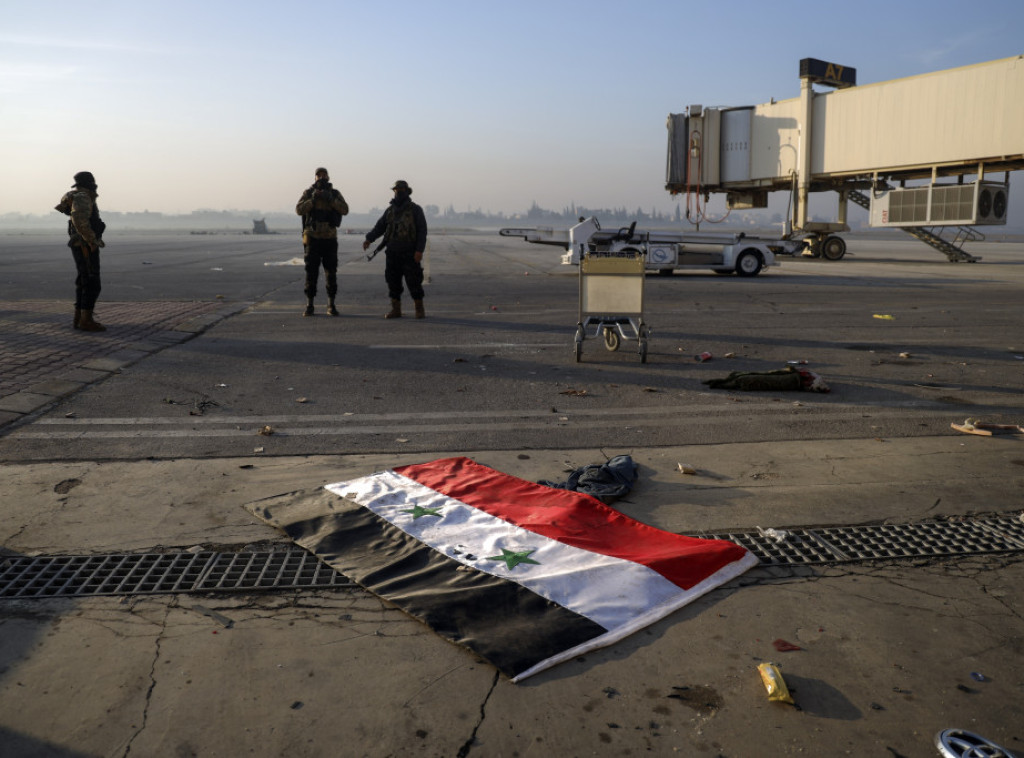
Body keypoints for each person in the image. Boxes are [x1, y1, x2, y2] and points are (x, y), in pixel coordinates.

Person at [362, 180, 428, 319]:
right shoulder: (390, 211)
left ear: (406, 191)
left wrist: (419, 251)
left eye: (401, 189)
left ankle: (419, 309)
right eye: (396, 190)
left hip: (410, 252)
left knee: (414, 281)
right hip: (392, 252)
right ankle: (396, 309)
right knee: (393, 282)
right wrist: (369, 239)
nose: (398, 192)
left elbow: (422, 231)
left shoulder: (415, 209)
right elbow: (380, 227)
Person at [55, 171, 107, 332]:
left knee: (84, 281)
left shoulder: (77, 196)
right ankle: (86, 320)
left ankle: (80, 318)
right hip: (85, 244)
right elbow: (79, 219)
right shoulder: (83, 197)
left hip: (81, 243)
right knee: (92, 282)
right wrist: (91, 240)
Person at [295, 167, 349, 316]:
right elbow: (299, 210)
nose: (321, 178)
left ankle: (331, 305)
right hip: (312, 238)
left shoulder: (335, 194)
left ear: (328, 177)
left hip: (329, 238)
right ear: (315, 178)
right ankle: (309, 305)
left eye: (324, 175)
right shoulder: (308, 193)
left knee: (331, 273)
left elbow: (345, 209)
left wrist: (330, 199)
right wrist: (312, 200)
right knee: (311, 273)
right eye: (318, 175)